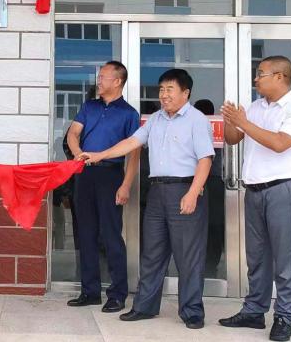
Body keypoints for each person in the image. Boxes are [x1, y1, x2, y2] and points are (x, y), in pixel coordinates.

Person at [79, 69, 214, 329]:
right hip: (157, 191)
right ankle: (144, 306)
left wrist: (193, 192)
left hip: (185, 189)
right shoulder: (155, 119)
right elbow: (131, 142)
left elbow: (205, 160)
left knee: (188, 256)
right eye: (161, 89)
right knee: (152, 252)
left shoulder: (196, 120)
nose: (164, 95)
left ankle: (192, 311)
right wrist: (99, 155)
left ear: (185, 93)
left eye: (170, 89)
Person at [218, 55, 291, 342]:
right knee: (257, 257)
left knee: (285, 259)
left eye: (261, 74)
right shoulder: (255, 108)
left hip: (284, 189)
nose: (256, 79)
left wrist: (243, 123)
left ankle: (284, 316)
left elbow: (279, 143)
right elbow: (233, 139)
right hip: (254, 190)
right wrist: (231, 121)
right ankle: (254, 311)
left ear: (280, 77)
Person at [64, 61, 140, 314]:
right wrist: (78, 153)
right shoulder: (89, 106)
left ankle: (117, 294)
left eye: (104, 77)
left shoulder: (129, 113)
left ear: (117, 81)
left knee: (110, 235)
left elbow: (134, 154)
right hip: (84, 174)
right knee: (85, 233)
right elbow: (73, 133)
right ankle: (90, 291)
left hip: (111, 175)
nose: (99, 80)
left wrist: (126, 185)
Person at [193, 99, 226, 275]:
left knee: (204, 223)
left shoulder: (199, 128)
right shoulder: (215, 129)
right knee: (214, 224)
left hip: (208, 180)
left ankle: (203, 262)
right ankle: (210, 263)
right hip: (215, 180)